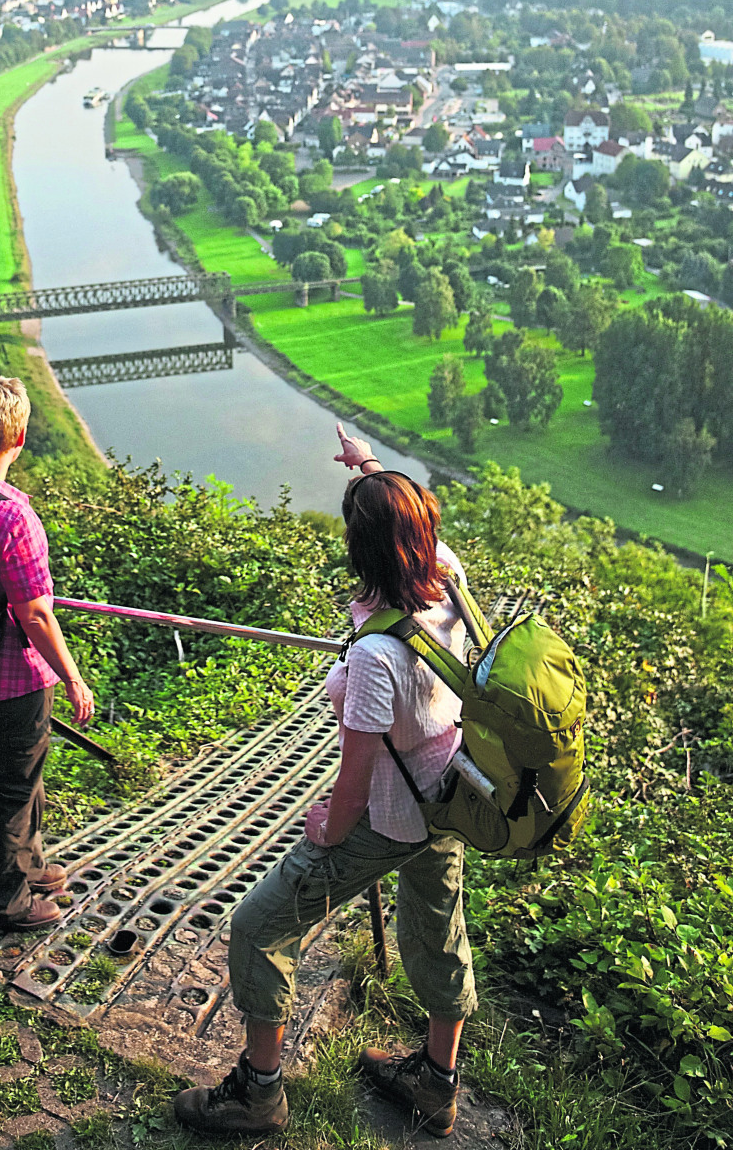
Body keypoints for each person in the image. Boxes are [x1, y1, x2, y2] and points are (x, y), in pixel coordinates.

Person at [174, 423, 476, 1140]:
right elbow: (404, 523)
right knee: (438, 926)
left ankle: (260, 1094)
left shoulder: (376, 657)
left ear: (359, 551)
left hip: (392, 815)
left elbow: (357, 776)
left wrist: (328, 832)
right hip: (450, 796)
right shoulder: (449, 577)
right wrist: (367, 465)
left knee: (258, 927)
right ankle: (437, 1083)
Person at [0, 376, 94, 933]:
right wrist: (74, 678)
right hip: (14, 675)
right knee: (12, 785)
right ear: (21, 436)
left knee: (18, 775)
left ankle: (28, 865)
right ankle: (0, 900)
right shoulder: (15, 519)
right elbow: (35, 615)